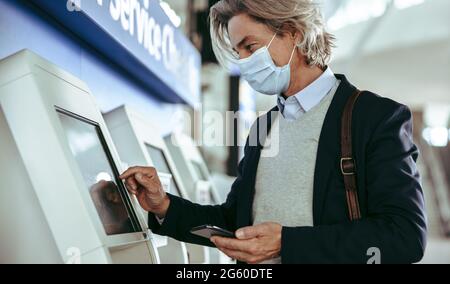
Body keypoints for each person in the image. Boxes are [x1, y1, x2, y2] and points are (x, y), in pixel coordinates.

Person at [120, 0, 427, 264]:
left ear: (294, 33)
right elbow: (235, 220)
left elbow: (405, 235)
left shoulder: (374, 118)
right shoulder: (263, 127)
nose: (243, 61)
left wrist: (287, 243)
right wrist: (164, 207)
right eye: (237, 51)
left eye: (249, 46)